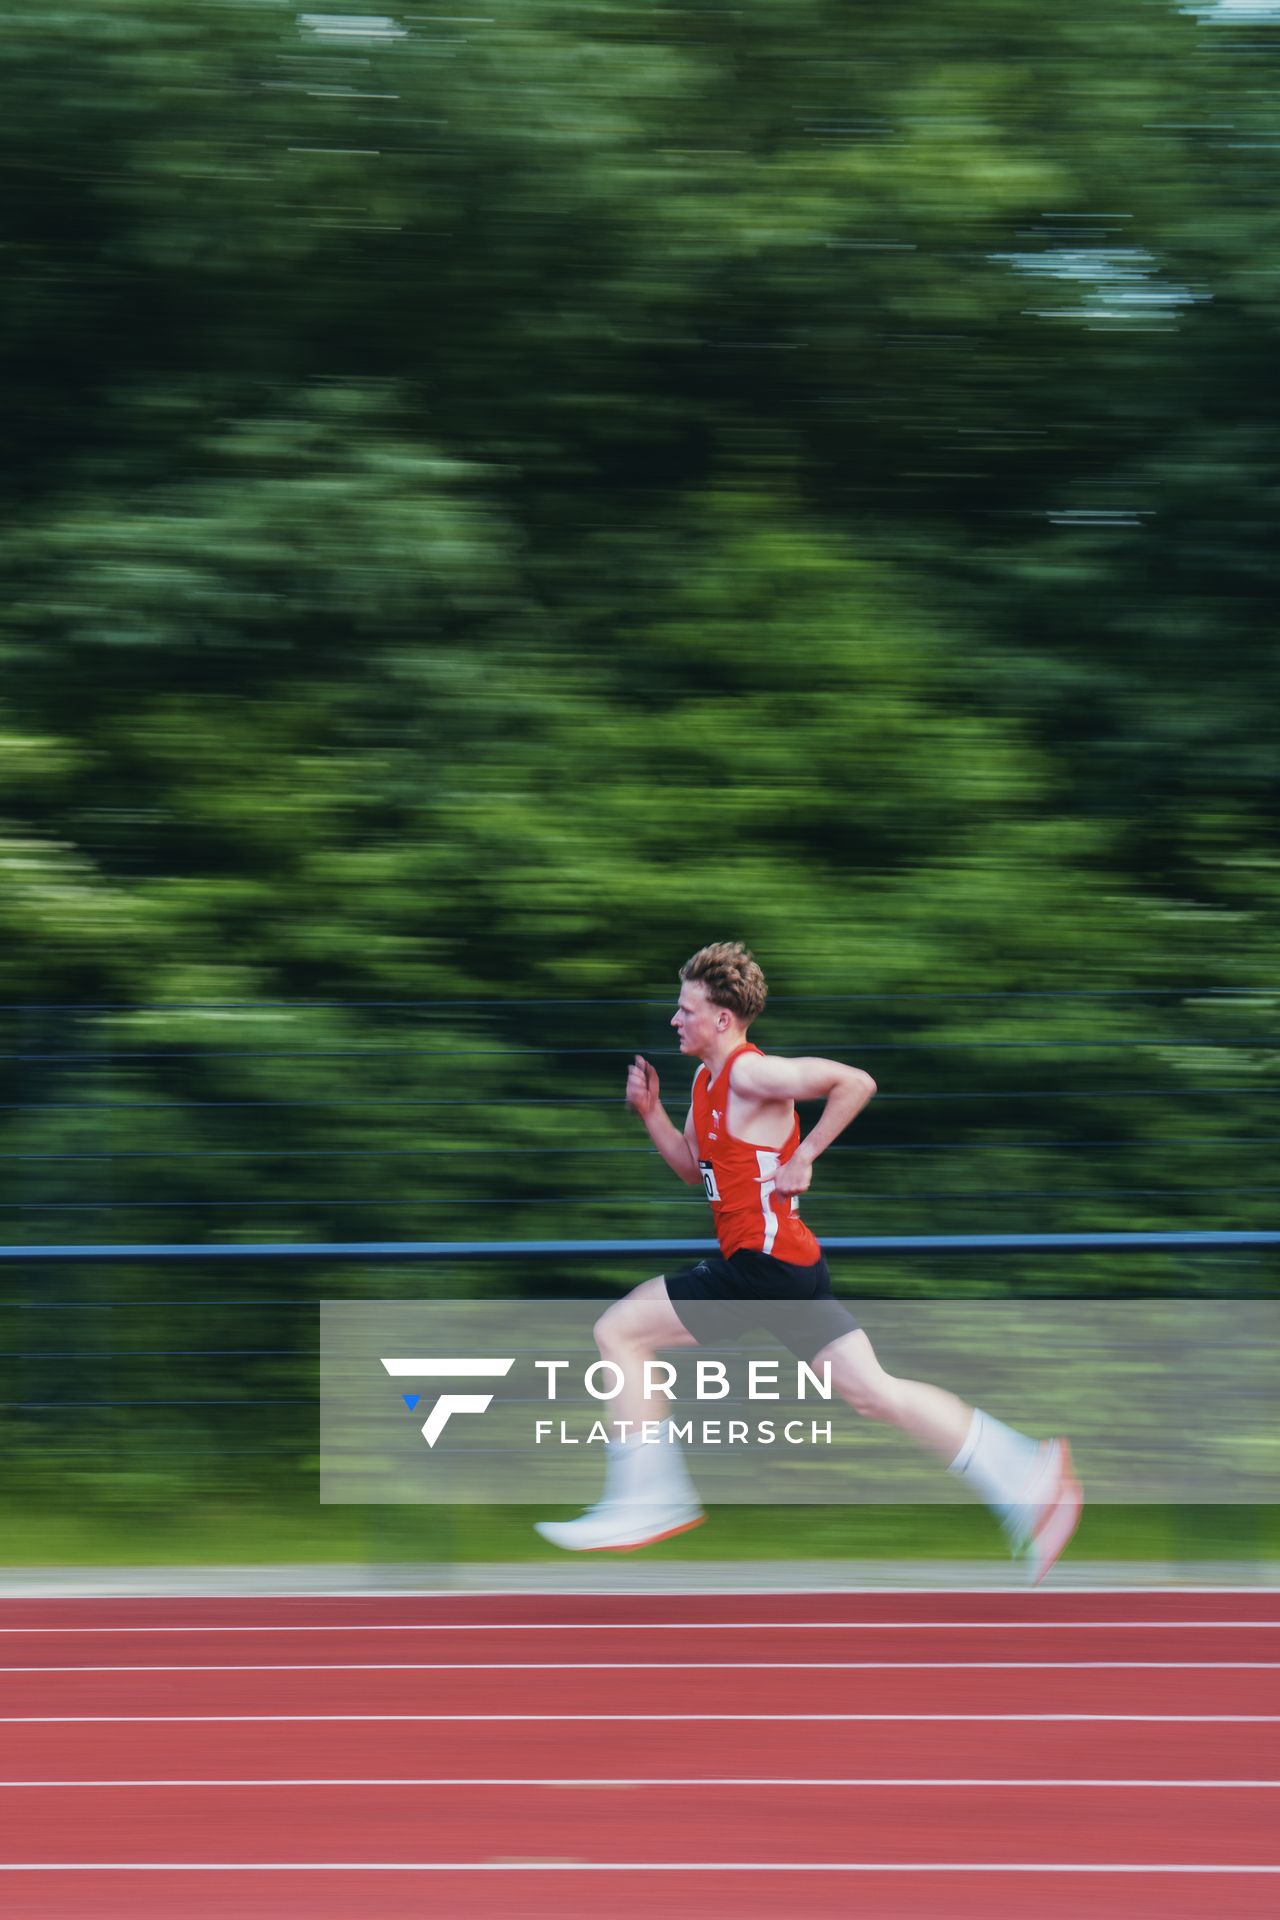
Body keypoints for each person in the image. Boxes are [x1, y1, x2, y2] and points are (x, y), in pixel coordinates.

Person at [534, 941, 1082, 1583]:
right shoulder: (707, 1084)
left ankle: (647, 1498)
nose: (673, 1020)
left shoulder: (749, 1073)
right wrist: (651, 1113)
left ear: (721, 1019)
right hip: (787, 1266)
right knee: (874, 1393)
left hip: (762, 1268)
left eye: (685, 1009)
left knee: (619, 1331)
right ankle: (1029, 1474)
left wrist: (807, 1154)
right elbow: (693, 1169)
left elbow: (855, 1082)